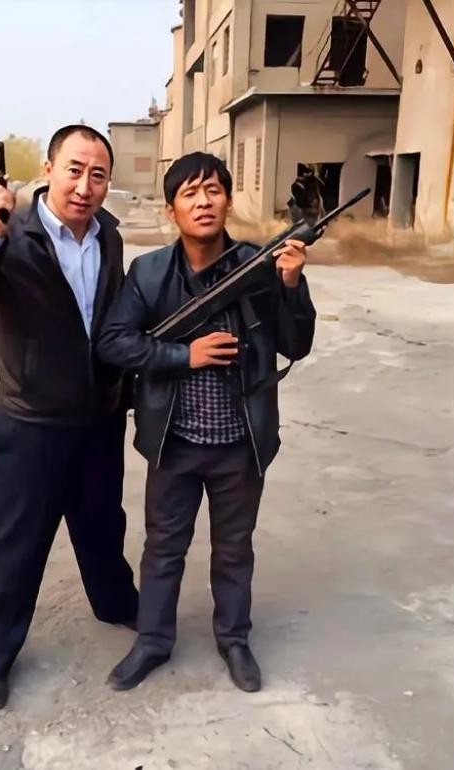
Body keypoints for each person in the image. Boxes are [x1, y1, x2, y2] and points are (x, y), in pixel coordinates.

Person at [97, 152, 316, 692]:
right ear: (171, 209)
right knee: (163, 548)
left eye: (213, 190)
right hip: (173, 442)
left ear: (228, 201)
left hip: (241, 443)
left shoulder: (261, 266)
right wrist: (183, 355)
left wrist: (291, 285)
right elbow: (114, 342)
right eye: (190, 193)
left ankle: (234, 640)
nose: (203, 202)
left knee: (235, 549)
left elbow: (296, 344)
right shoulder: (149, 273)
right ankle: (152, 641)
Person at [0, 124, 138, 712]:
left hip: (98, 416)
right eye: (74, 170)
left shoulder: (108, 236)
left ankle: (116, 603)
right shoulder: (12, 233)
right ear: (48, 171)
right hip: (31, 422)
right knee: (17, 541)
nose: (84, 186)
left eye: (97, 175)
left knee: (102, 523)